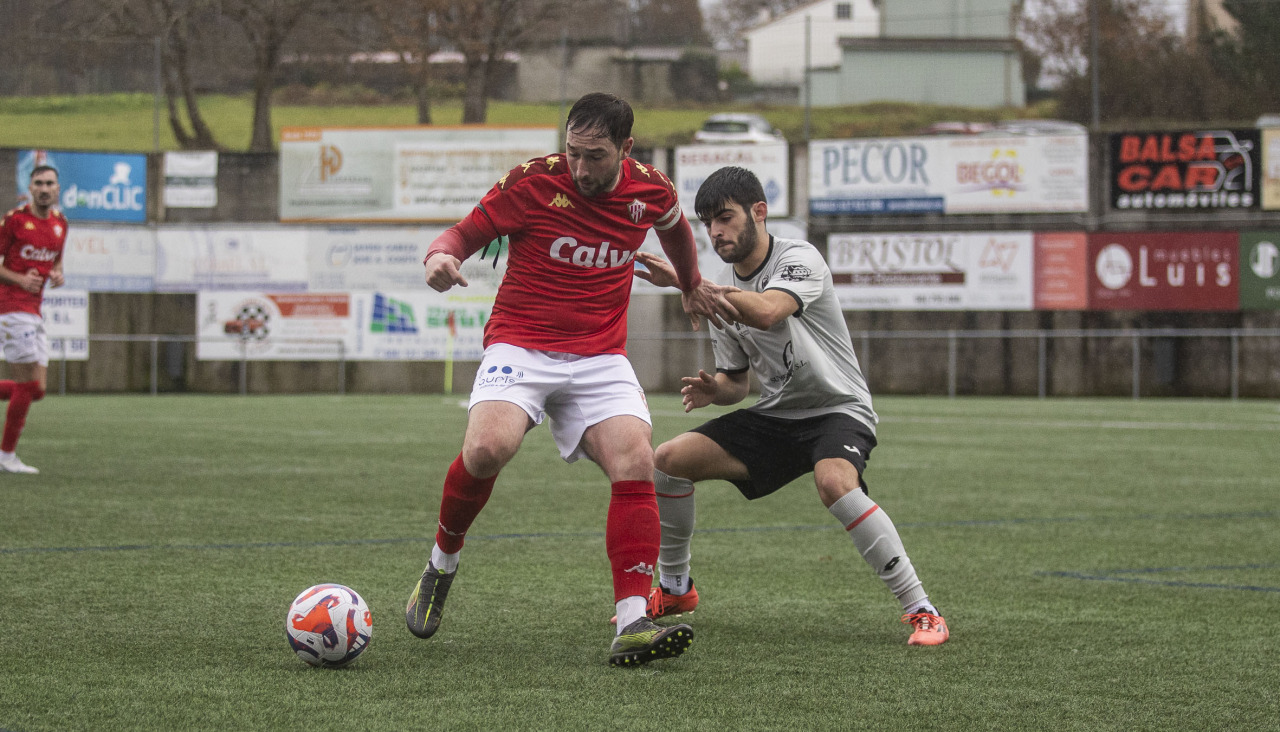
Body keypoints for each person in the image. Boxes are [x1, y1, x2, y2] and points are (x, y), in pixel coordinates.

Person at [406, 92, 738, 666]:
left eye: (596, 157)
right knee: (487, 448)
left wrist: (690, 282)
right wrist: (440, 256)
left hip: (599, 357)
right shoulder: (533, 184)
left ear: (626, 150)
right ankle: (442, 564)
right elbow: (461, 234)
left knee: (637, 460)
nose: (580, 169)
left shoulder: (649, 188)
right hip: (521, 343)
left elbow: (676, 229)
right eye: (573, 153)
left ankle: (633, 623)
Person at [630, 166, 949, 646]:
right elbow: (738, 383)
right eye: (707, 223)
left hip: (837, 408)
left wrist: (684, 280)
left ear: (759, 212)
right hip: (777, 417)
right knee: (668, 462)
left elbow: (768, 309)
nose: (716, 232)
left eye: (726, 218)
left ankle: (922, 609)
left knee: (835, 483)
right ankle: (675, 590)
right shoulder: (717, 290)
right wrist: (716, 390)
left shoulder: (798, 258)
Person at [0, 165, 67, 475]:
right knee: (27, 384)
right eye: (38, 183)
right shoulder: (15, 220)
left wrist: (57, 273)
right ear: (30, 187)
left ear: (57, 188)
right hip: (11, 307)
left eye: (49, 183)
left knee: (37, 389)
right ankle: (6, 456)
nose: (44, 188)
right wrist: (17, 279)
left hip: (35, 310)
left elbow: (57, 259)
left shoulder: (60, 225)